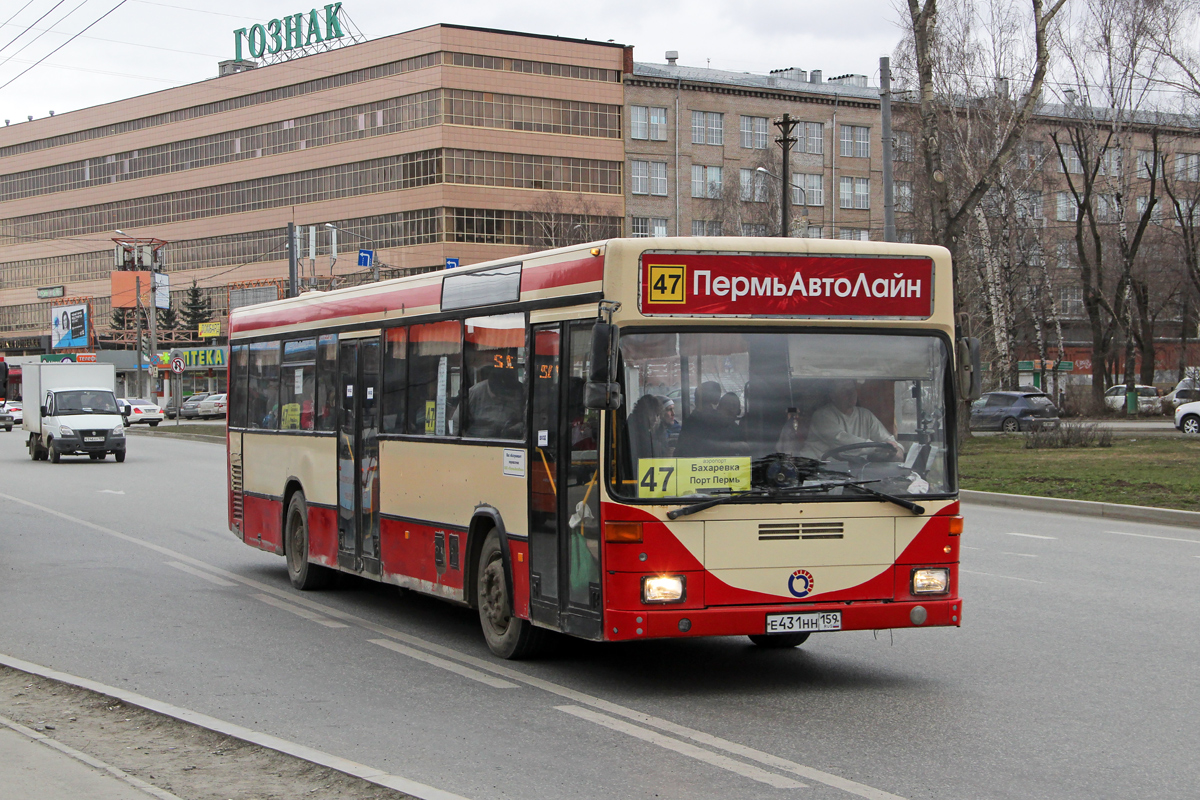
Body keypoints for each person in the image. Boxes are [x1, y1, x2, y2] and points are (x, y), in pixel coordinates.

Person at [800, 380, 905, 461]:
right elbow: (842, 440)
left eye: (852, 389)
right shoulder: (822, 415)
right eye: (844, 391)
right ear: (832, 396)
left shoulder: (865, 415)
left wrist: (896, 449)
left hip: (854, 468)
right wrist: (878, 447)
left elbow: (885, 438)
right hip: (820, 466)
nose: (850, 394)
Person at [675, 381, 748, 457]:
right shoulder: (700, 423)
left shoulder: (693, 421)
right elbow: (700, 446)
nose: (715, 410)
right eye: (712, 405)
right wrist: (731, 446)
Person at [626, 394, 668, 464]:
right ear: (642, 414)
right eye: (651, 414)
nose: (655, 419)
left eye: (657, 415)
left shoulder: (658, 430)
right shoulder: (631, 430)